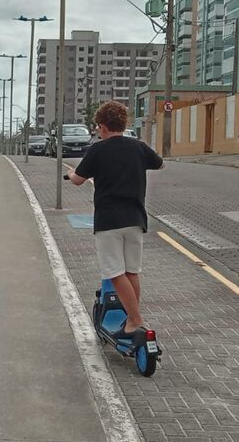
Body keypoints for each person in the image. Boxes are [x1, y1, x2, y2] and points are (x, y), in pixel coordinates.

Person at [67, 101, 163, 341]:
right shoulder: (138, 147)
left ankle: (136, 320)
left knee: (115, 273)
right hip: (135, 219)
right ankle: (132, 320)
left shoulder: (98, 151)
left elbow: (78, 179)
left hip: (109, 222)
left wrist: (70, 173)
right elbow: (159, 163)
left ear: (102, 126)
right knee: (132, 271)